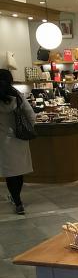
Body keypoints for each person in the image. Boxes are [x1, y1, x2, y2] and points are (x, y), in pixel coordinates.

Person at [0, 69, 36, 215]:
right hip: (19, 138)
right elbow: (31, 115)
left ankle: (17, 201)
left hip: (3, 140)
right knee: (18, 172)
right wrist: (26, 128)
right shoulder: (17, 95)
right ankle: (17, 201)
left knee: (10, 173)